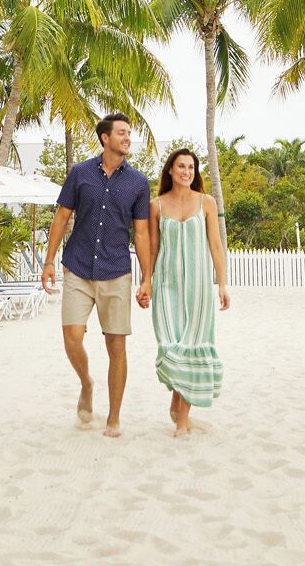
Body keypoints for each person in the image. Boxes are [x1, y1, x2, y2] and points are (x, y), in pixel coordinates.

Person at [41, 112, 154, 437]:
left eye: (129, 133)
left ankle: (114, 417)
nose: (127, 138)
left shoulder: (138, 183)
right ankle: (87, 383)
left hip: (116, 271)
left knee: (116, 345)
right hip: (77, 267)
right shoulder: (79, 174)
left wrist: (146, 278)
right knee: (72, 338)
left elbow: (142, 234)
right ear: (105, 138)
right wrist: (49, 261)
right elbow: (62, 218)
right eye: (122, 133)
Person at [138, 146, 228, 436]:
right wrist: (146, 281)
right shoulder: (157, 205)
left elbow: (216, 245)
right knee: (168, 343)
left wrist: (223, 284)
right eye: (181, 167)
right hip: (166, 283)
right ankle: (178, 401)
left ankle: (181, 420)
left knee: (191, 344)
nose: (186, 172)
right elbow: (152, 247)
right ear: (170, 170)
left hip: (199, 286)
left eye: (191, 167)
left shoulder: (207, 203)